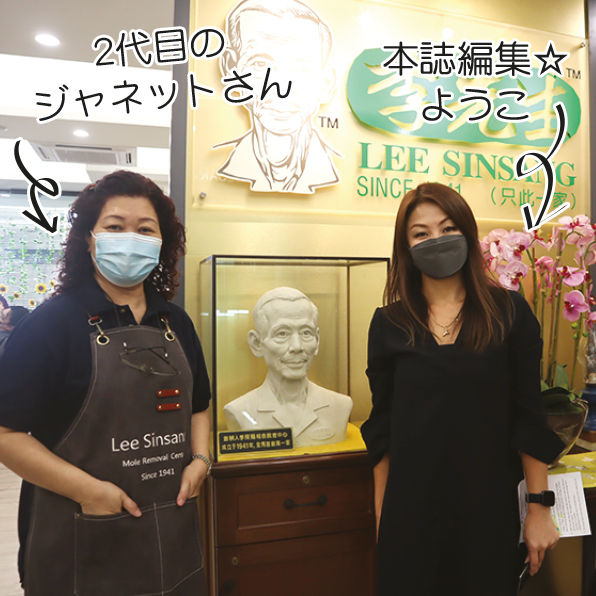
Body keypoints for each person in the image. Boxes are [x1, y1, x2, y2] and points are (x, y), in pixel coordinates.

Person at [0, 171, 211, 596]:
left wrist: (201, 460)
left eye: (145, 230)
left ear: (162, 242)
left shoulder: (177, 322)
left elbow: (200, 406)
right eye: (115, 227)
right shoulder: (51, 325)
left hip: (172, 529)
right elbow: (6, 434)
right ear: (89, 239)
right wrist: (90, 493)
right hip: (79, 534)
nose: (130, 239)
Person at [361, 183, 564, 596]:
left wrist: (539, 508)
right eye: (421, 233)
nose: (436, 239)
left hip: (488, 512)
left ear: (468, 233)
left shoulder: (509, 312)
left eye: (447, 228)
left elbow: (529, 415)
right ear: (406, 247)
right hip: (410, 516)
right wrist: (383, 516)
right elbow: (382, 430)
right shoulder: (388, 324)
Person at [216, 0, 341, 194]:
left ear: (326, 82)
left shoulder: (341, 165)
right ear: (232, 69)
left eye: (302, 69)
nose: (282, 88)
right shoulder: (213, 159)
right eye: (260, 64)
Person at [223, 287, 353, 446]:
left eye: (306, 333)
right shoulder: (240, 411)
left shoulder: (340, 406)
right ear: (257, 344)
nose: (297, 346)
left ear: (317, 340)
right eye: (282, 334)